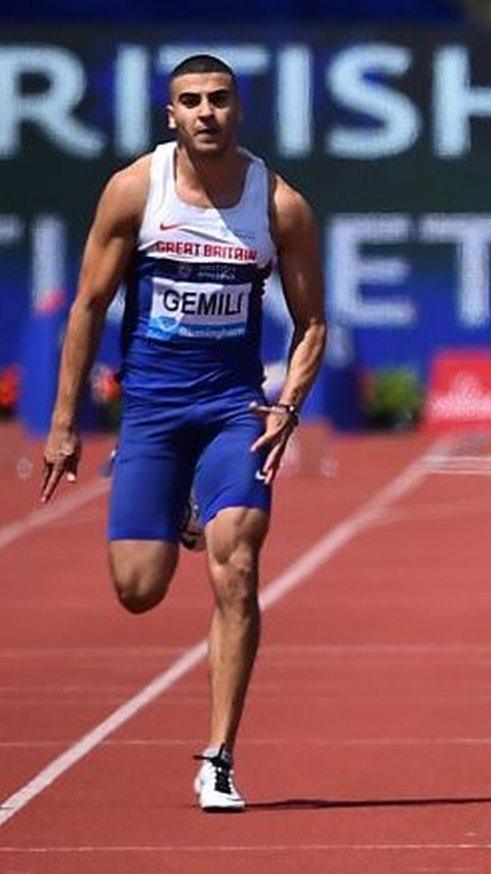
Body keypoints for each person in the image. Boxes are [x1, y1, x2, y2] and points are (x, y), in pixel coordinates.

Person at [39, 55, 326, 811]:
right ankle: (175, 508)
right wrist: (65, 424)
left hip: (234, 408)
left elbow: (313, 324)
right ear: (171, 114)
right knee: (138, 590)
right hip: (154, 412)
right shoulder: (138, 191)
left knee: (238, 560)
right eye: (191, 101)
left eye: (220, 100)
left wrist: (286, 409)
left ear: (239, 110)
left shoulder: (279, 205)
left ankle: (220, 756)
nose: (206, 113)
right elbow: (88, 306)